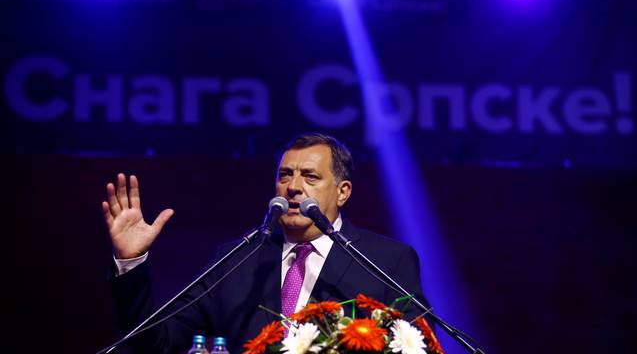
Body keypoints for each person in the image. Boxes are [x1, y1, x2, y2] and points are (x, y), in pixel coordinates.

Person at [105, 133, 429, 353]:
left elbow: (418, 343)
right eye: (285, 175)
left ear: (342, 191)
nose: (293, 187)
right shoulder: (237, 260)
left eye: (310, 177)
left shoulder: (387, 260)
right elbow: (156, 342)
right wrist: (131, 263)